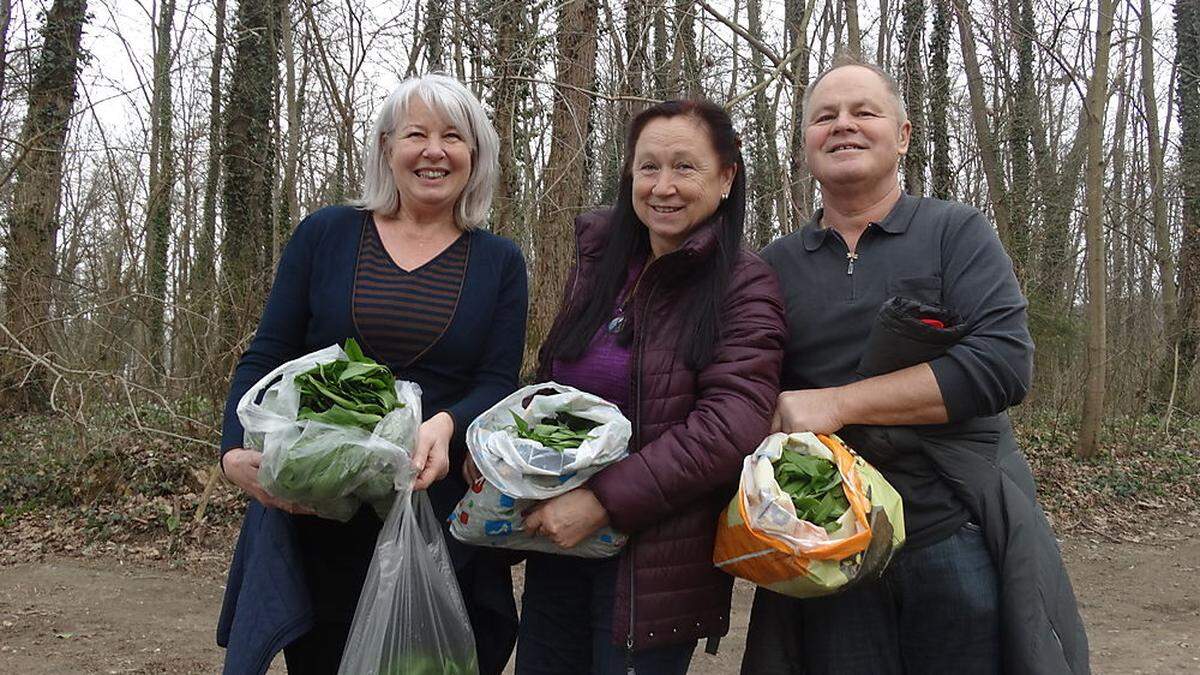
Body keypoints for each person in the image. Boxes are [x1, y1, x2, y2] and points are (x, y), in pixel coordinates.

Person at [742, 55, 1089, 673]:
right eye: (825, 117)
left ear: (902, 136)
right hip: (830, 544)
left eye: (863, 112)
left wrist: (836, 403)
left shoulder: (955, 232)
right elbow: (745, 386)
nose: (843, 125)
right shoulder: (774, 263)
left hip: (951, 529)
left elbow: (1003, 363)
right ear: (805, 146)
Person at [216, 73, 526, 675]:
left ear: (475, 156)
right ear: (387, 148)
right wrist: (232, 450)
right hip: (321, 507)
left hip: (433, 510)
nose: (434, 151)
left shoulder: (499, 262)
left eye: (453, 137)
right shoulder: (326, 234)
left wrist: (444, 424)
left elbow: (498, 382)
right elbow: (268, 353)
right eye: (416, 134)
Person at [516, 99, 786, 674]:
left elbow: (729, 424)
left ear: (726, 176)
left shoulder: (745, 283)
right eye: (648, 167)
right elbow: (553, 382)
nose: (663, 186)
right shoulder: (600, 263)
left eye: (685, 167)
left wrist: (602, 502)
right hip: (558, 547)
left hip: (650, 568)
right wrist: (507, 454)